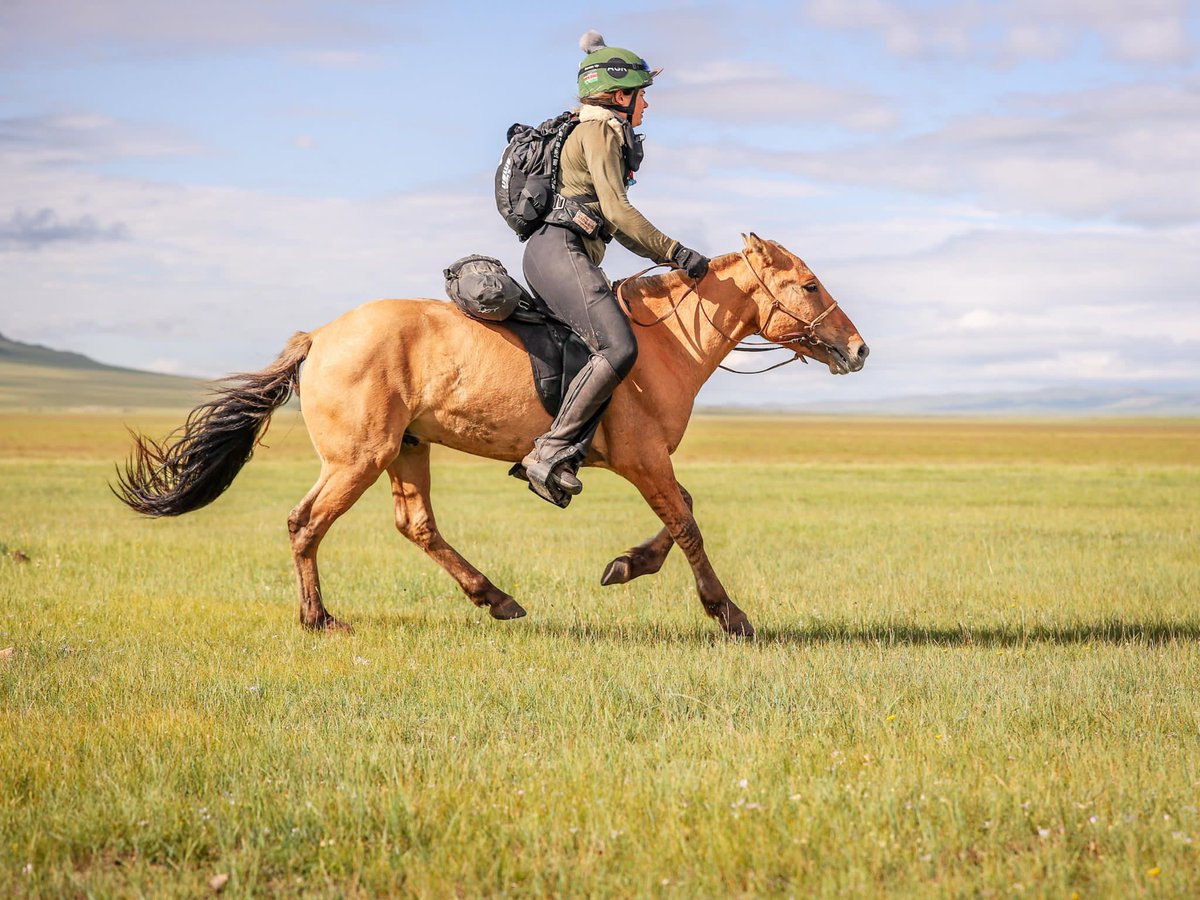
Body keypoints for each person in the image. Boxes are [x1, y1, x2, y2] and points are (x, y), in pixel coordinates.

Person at [520, 30, 709, 504]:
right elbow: (619, 212)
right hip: (560, 250)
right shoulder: (600, 130)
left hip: (562, 252)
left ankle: (569, 452)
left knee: (600, 346)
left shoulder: (598, 129)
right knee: (620, 345)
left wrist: (666, 256)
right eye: (642, 94)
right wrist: (676, 251)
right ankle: (549, 453)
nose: (646, 104)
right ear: (620, 95)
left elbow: (615, 224)